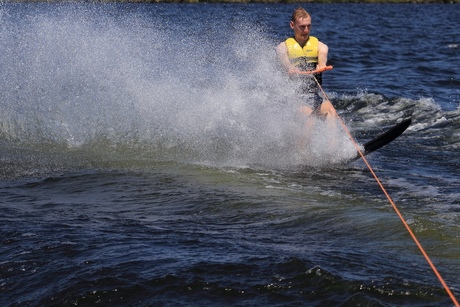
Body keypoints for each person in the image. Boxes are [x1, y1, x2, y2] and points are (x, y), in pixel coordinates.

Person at [276, 7, 335, 119]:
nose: (306, 30)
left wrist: (321, 64)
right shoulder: (282, 48)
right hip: (293, 99)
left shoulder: (320, 46)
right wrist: (290, 67)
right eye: (302, 27)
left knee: (331, 111)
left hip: (314, 97)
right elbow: (285, 62)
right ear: (292, 25)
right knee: (309, 115)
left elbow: (323, 55)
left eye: (309, 26)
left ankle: (333, 137)